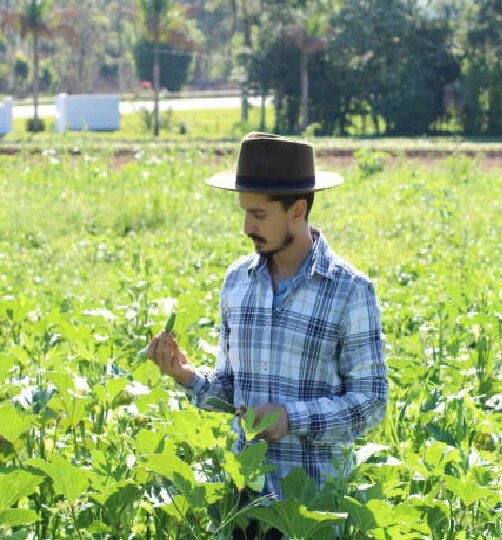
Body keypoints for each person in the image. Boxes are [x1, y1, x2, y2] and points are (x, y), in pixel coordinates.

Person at [146, 132, 388, 539]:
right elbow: (230, 390)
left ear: (297, 210)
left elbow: (372, 403)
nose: (246, 227)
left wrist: (291, 419)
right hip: (247, 503)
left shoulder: (350, 290)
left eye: (258, 215)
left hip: (315, 509)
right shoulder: (237, 282)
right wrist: (187, 376)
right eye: (244, 212)